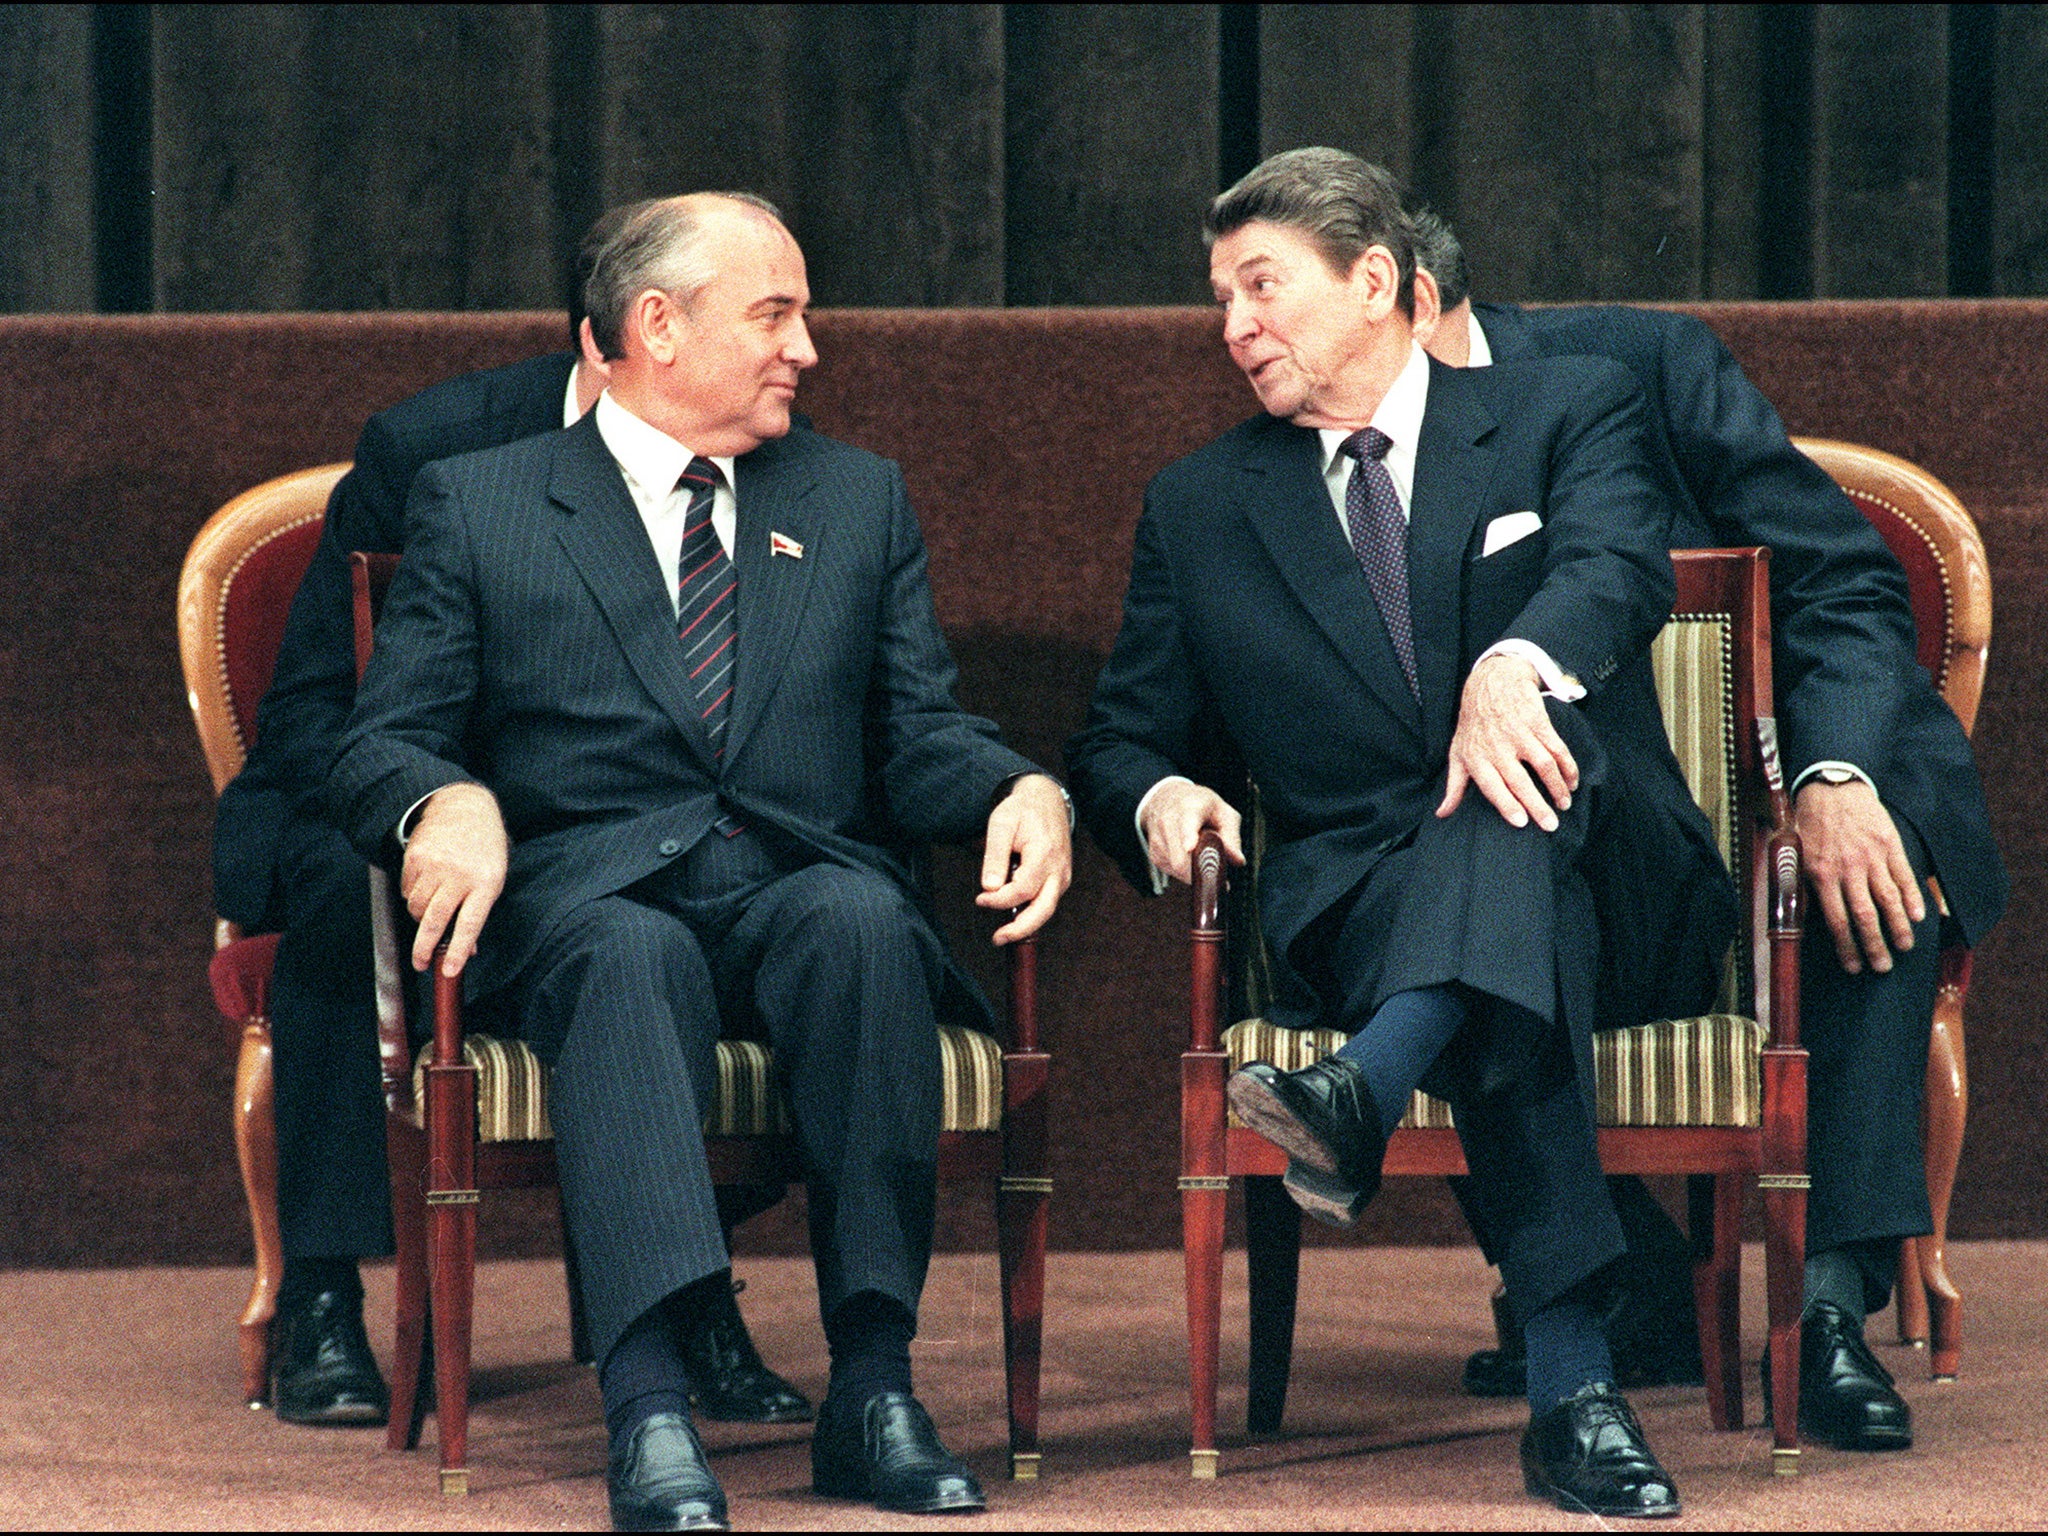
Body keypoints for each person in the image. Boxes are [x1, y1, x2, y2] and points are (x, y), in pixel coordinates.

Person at [327, 192, 1072, 1530]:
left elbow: (917, 734)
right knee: (634, 950)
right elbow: (377, 742)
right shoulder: (486, 503)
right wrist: (443, 799)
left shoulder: (854, 498)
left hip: (792, 885)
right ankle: (652, 1404)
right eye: (775, 314)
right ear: (657, 328)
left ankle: (874, 1389)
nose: (808, 347)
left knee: (859, 922)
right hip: (585, 904)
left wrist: (1020, 785)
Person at [1067, 148, 1734, 1519]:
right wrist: (1158, 798)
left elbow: (1616, 565)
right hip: (1365, 909)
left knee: (1517, 792)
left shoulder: (1565, 409)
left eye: (1263, 285)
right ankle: (1575, 1395)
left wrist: (1517, 663)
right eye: (1221, 297)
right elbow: (1119, 739)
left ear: (1374, 280)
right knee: (1501, 893)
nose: (1234, 324)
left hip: (1624, 883)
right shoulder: (1202, 506)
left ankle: (1364, 1090)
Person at [1405, 208, 2007, 1449]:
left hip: (1779, 768)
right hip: (1585, 816)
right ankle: (1636, 1291)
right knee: (1453, 883)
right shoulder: (1332, 446)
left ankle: (1826, 1312)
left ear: (1397, 293)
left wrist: (1832, 775)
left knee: (1862, 871)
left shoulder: (1643, 365)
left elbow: (1838, 581)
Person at [211, 202, 807, 1428]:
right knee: (341, 881)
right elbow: (324, 714)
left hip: (604, 810)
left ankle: (681, 1290)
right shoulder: (433, 449)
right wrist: (438, 798)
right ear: (624, 339)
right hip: (397, 778)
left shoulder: (760, 446)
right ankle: (324, 1289)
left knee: (731, 874)